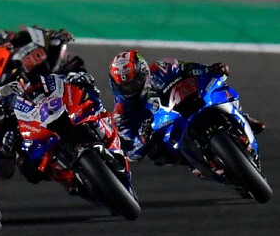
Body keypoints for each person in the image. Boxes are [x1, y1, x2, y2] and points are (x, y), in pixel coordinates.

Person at [109, 50, 264, 162]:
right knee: (158, 155)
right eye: (124, 86)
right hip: (164, 134)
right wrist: (142, 140)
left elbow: (188, 68)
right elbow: (130, 152)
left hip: (181, 105)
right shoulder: (120, 112)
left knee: (219, 87)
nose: (129, 89)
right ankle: (194, 163)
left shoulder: (161, 68)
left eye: (133, 83)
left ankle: (244, 117)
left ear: (143, 73)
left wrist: (210, 69)